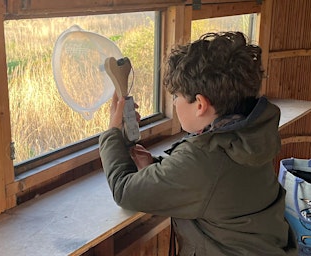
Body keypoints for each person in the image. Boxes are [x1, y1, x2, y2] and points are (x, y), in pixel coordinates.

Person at [99, 31, 297, 255]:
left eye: (176, 97)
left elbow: (124, 191)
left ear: (200, 104)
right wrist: (157, 167)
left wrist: (113, 132)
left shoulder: (203, 158)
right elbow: (212, 182)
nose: (174, 104)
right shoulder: (250, 133)